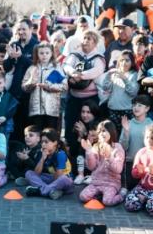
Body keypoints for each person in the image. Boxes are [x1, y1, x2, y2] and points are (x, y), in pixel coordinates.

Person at [63, 30, 106, 166]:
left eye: (89, 39)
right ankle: (72, 164)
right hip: (74, 99)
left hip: (91, 100)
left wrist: (81, 75)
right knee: (71, 128)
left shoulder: (98, 58)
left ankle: (89, 165)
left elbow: (97, 71)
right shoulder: (75, 55)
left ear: (95, 42)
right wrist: (73, 73)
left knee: (89, 130)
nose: (85, 41)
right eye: (84, 38)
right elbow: (66, 65)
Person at [79, 120, 125, 206]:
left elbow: (118, 169)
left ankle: (121, 196)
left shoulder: (117, 147)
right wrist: (89, 152)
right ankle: (99, 195)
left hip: (111, 183)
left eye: (104, 131)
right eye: (99, 131)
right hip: (97, 182)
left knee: (107, 201)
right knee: (83, 197)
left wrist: (109, 157)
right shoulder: (96, 147)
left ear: (111, 131)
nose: (101, 133)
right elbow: (91, 167)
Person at [22, 42, 65, 132]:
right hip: (36, 110)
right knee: (37, 134)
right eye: (41, 53)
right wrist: (31, 81)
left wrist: (49, 87)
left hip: (52, 110)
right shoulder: (32, 68)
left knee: (50, 134)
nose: (44, 56)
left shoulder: (56, 68)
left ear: (51, 54)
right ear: (37, 54)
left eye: (47, 53)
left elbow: (64, 86)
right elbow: (24, 87)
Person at [24, 127, 73, 200]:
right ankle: (51, 191)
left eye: (46, 142)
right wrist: (42, 158)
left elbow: (58, 177)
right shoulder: (43, 153)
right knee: (29, 173)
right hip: (53, 180)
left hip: (65, 182)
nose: (43, 144)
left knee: (63, 179)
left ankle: (40, 190)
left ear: (55, 143)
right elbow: (36, 173)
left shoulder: (60, 154)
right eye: (42, 142)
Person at [97, 53, 139, 126]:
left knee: (126, 135)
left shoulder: (134, 75)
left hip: (127, 111)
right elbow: (105, 88)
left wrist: (124, 78)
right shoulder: (115, 74)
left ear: (132, 62)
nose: (124, 63)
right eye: (122, 60)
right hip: (112, 110)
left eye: (127, 60)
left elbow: (133, 92)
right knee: (113, 134)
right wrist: (108, 75)